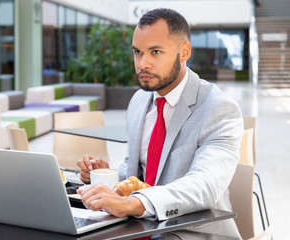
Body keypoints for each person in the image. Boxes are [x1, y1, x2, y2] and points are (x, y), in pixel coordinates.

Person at [77, 8, 243, 237]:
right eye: (137, 52)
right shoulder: (139, 101)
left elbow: (205, 185)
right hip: (140, 228)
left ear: (184, 52)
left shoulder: (218, 108)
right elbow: (142, 174)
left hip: (192, 232)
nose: (142, 64)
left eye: (155, 52)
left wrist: (135, 204)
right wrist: (109, 176)